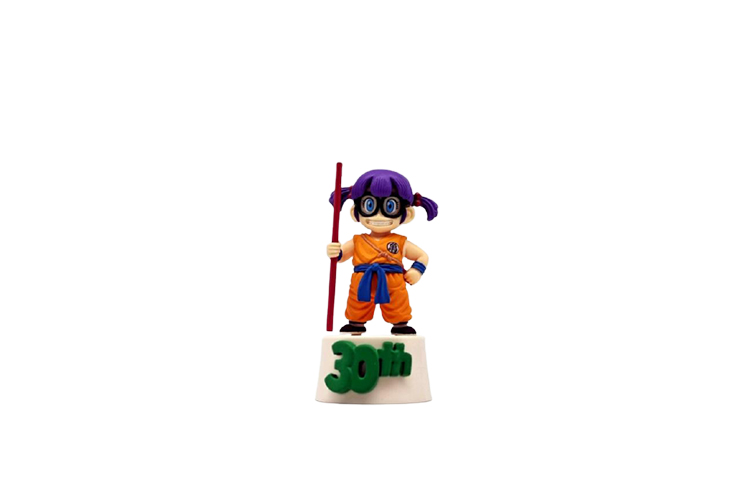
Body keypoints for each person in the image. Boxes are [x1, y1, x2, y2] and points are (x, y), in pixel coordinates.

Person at [326, 169, 438, 335]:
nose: (378, 216)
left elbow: (422, 256)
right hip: (362, 280)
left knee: (397, 304)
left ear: (407, 214)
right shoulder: (358, 240)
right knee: (358, 304)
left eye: (390, 207)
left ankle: (400, 325)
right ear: (355, 212)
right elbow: (341, 256)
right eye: (369, 206)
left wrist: (416, 270)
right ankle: (355, 324)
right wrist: (335, 252)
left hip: (393, 281)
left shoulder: (400, 241)